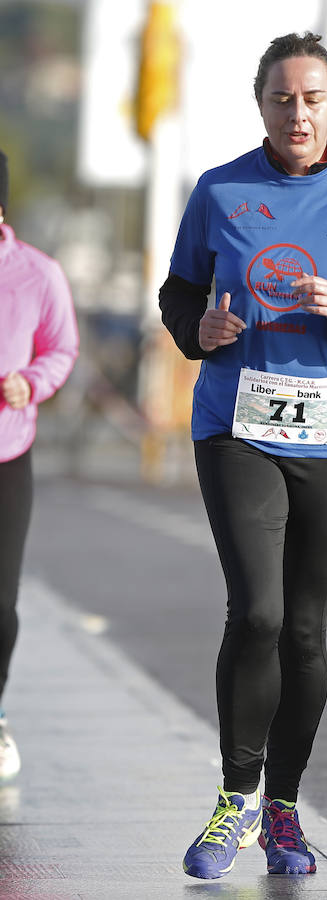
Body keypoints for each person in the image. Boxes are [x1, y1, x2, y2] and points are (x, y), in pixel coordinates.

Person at [159, 31, 327, 881]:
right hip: (236, 426)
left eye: (312, 97)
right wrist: (197, 329)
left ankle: (284, 810)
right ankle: (236, 796)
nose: (296, 111)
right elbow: (179, 291)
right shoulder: (221, 189)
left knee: (305, 627)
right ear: (262, 103)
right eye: (282, 97)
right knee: (260, 612)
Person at [0, 149, 79, 779]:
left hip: (8, 453)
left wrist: (31, 380)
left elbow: (62, 346)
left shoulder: (37, 273)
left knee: (0, 602)